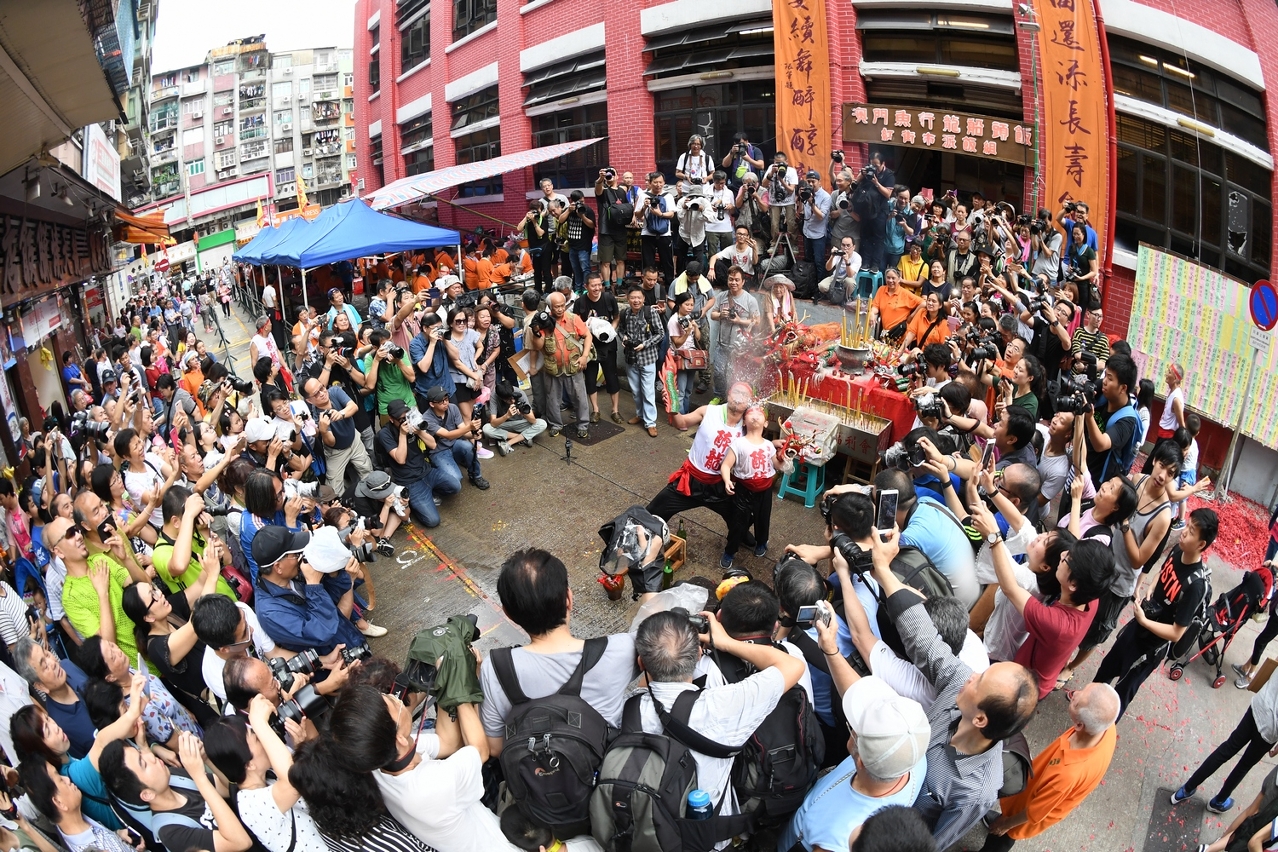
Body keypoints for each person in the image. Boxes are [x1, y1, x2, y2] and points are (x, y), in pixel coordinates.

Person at [869, 528, 1038, 851]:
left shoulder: (975, 793)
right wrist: (884, 572)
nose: (970, 676)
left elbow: (935, 843)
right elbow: (924, 640)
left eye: (980, 681)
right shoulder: (960, 683)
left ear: (980, 720)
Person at [632, 608, 805, 826]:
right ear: (697, 655)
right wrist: (724, 642)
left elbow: (646, 684)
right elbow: (793, 665)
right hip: (704, 835)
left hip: (638, 829)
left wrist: (653, 656)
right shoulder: (722, 706)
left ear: (640, 664)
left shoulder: (626, 709)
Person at [479, 549, 637, 749]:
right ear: (569, 599)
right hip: (605, 771)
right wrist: (648, 570)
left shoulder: (495, 669)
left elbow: (494, 747)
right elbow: (663, 636)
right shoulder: (619, 650)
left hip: (534, 775)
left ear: (509, 614)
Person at [1093, 507, 1218, 719]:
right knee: (1107, 667)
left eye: (1192, 531)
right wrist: (1150, 591)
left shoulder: (1195, 585)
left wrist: (1144, 620)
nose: (1184, 531)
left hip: (1150, 647)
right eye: (1187, 525)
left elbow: (1177, 633)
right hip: (1138, 626)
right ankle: (1089, 704)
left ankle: (1100, 733)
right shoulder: (1178, 550)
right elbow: (1163, 573)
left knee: (1122, 691)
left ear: (1201, 544)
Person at [981, 683, 1120, 851]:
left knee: (1001, 839)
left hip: (1026, 813)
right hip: (1035, 787)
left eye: (1077, 702)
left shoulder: (1067, 774)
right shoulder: (1106, 726)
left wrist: (1006, 824)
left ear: (1079, 725)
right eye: (1083, 690)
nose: (1075, 694)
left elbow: (1034, 813)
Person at [203, 700, 328, 852]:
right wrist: (259, 723)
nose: (262, 739)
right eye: (256, 737)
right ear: (249, 764)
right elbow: (294, 781)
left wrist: (300, 747)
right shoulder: (249, 806)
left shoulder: (269, 774)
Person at [99, 731, 255, 852]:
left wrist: (205, 758)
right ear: (147, 794)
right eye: (143, 764)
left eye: (141, 753)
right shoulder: (171, 832)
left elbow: (228, 789)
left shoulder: (173, 775)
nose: (150, 757)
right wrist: (198, 776)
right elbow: (241, 842)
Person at [1173, 656, 1278, 816]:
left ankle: (1186, 789)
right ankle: (1219, 801)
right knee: (1244, 765)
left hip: (1260, 704)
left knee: (1227, 748)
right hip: (1271, 728)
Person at [647, 383, 751, 535]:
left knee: (740, 519)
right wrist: (673, 407)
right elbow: (681, 422)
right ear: (728, 394)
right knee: (653, 512)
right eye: (736, 392)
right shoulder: (708, 411)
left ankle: (741, 537)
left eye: (744, 395)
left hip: (720, 486)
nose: (739, 397)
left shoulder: (748, 426)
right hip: (690, 481)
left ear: (749, 401)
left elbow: (759, 446)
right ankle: (642, 538)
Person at [251, 525, 368, 655]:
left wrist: (333, 573)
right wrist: (313, 585)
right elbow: (322, 632)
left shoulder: (293, 575)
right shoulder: (270, 613)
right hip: (335, 666)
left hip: (351, 641)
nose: (300, 556)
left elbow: (332, 602)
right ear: (278, 567)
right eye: (295, 554)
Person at [720, 405, 782, 567]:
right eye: (750, 414)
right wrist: (727, 480)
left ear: (766, 423)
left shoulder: (769, 445)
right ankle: (730, 551)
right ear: (744, 422)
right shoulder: (738, 443)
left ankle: (761, 542)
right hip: (743, 489)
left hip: (765, 489)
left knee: (763, 519)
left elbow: (777, 465)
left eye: (759, 414)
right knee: (739, 521)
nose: (755, 416)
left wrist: (785, 458)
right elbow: (726, 465)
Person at [530, 291, 593, 440]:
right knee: (552, 398)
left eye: (562, 305)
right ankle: (556, 425)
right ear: (550, 307)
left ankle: (583, 425)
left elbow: (587, 335)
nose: (560, 309)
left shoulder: (573, 319)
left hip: (574, 365)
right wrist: (536, 331)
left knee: (580, 398)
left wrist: (584, 357)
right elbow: (538, 346)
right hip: (553, 368)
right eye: (556, 306)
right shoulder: (545, 322)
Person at [303, 377, 373, 499]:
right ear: (309, 401)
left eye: (322, 388)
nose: (322, 393)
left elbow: (353, 407)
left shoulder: (334, 391)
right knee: (334, 489)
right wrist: (324, 431)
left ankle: (372, 496)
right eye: (316, 394)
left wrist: (341, 414)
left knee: (366, 469)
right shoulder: (317, 416)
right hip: (336, 451)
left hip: (354, 439)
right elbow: (331, 442)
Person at [421, 385, 491, 492]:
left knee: (469, 447)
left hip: (453, 444)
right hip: (438, 452)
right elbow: (448, 435)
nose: (445, 403)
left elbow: (463, 430)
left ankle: (476, 476)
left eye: (446, 399)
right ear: (432, 404)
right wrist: (470, 427)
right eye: (441, 401)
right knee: (455, 479)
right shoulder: (427, 419)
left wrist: (473, 434)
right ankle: (435, 477)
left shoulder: (452, 408)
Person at [574, 273, 621, 425]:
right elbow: (576, 323)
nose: (597, 288)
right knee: (590, 379)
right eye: (593, 285)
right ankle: (595, 409)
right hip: (590, 347)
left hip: (608, 345)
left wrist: (610, 332)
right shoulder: (580, 302)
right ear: (586, 286)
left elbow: (616, 317)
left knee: (612, 377)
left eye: (599, 284)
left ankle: (615, 410)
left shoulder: (609, 298)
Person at [618, 284, 665, 437]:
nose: (636, 300)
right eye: (633, 298)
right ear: (628, 299)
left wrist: (644, 344)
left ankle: (650, 422)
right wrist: (624, 338)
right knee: (636, 391)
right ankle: (640, 414)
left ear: (643, 299)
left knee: (648, 391)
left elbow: (660, 334)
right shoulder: (625, 313)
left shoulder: (650, 312)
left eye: (639, 297)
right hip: (631, 358)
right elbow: (621, 330)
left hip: (648, 357)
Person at [708, 266, 759, 400]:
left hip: (740, 347)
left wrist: (739, 320)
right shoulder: (721, 296)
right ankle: (718, 396)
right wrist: (721, 314)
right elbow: (712, 314)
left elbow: (757, 322)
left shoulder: (750, 300)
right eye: (731, 279)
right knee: (718, 372)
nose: (734, 283)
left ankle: (732, 399)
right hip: (722, 343)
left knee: (735, 375)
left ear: (743, 282)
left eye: (737, 280)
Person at [483, 382, 546, 455]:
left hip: (520, 423)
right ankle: (523, 438)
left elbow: (533, 420)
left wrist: (523, 413)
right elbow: (493, 423)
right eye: (508, 400)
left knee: (542, 424)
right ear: (501, 398)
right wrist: (507, 416)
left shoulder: (519, 393)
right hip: (504, 425)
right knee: (486, 429)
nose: (512, 401)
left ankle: (507, 443)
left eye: (512, 398)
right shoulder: (494, 396)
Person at [869, 268, 922, 342]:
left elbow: (923, 303)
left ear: (899, 279)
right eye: (888, 278)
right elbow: (876, 306)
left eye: (893, 278)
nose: (890, 281)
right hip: (886, 334)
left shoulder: (905, 294)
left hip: (900, 335)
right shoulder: (881, 290)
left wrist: (912, 316)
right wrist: (872, 312)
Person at [798, 170, 832, 271]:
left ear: (819, 181)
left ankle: (819, 284)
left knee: (819, 261)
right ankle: (809, 283)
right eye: (808, 181)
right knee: (808, 260)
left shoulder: (826, 197)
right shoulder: (806, 193)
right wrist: (801, 198)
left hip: (818, 234)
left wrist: (811, 203)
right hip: (807, 232)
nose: (811, 184)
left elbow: (821, 216)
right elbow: (800, 212)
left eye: (813, 181)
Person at [819, 236, 862, 304]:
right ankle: (832, 297)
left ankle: (845, 299)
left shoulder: (857, 257)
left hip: (847, 279)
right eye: (843, 245)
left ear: (853, 247)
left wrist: (847, 261)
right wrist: (832, 256)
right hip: (835, 278)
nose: (845, 248)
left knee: (850, 282)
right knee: (821, 286)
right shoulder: (838, 253)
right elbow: (828, 268)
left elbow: (850, 274)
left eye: (848, 245)